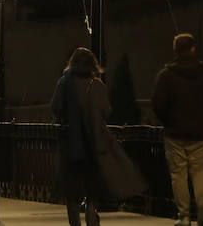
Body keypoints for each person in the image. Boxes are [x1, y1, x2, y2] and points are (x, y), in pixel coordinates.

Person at [50, 47, 145, 226]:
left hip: (70, 145)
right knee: (91, 191)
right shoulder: (97, 85)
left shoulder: (64, 82)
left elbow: (55, 108)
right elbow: (107, 111)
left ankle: (75, 223)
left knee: (72, 193)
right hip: (93, 146)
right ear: (92, 64)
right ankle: (92, 218)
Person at [152, 33, 203, 226]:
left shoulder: (166, 76)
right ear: (193, 49)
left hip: (175, 134)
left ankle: (184, 215)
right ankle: (202, 203)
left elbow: (158, 104)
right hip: (200, 132)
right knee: (199, 171)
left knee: (178, 174)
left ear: (175, 50)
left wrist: (169, 121)